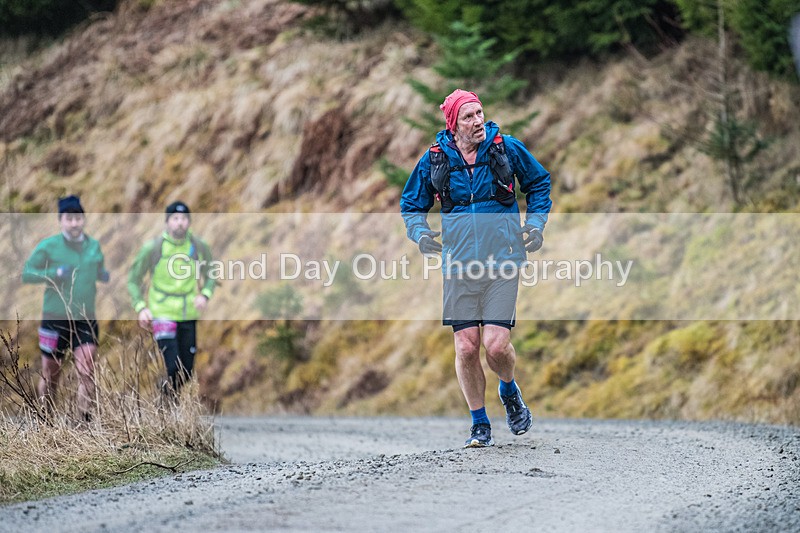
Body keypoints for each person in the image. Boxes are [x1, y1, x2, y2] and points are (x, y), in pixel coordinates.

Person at [401, 89, 552, 448]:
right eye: (469, 117)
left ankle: (509, 391)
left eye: (480, 113)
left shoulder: (506, 148)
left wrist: (535, 225)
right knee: (467, 348)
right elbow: (411, 204)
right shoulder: (435, 159)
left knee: (496, 346)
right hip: (458, 265)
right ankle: (479, 425)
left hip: (502, 261)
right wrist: (421, 234)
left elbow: (539, 183)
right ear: (454, 124)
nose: (478, 121)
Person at [22, 195, 109, 421]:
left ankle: (84, 423)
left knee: (87, 368)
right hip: (54, 318)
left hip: (85, 318)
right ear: (61, 220)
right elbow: (27, 273)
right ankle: (46, 420)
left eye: (78, 218)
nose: (74, 223)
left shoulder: (93, 246)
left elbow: (98, 268)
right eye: (69, 219)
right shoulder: (48, 246)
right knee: (52, 373)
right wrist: (54, 274)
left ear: (83, 220)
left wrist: (102, 274)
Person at [127, 201, 215, 398]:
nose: (180, 223)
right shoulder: (153, 248)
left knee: (187, 371)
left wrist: (205, 295)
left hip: (188, 312)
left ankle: (165, 393)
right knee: (173, 365)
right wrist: (141, 307)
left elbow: (212, 273)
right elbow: (133, 279)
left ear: (189, 222)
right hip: (162, 312)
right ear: (167, 222)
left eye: (184, 219)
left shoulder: (199, 246)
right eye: (175, 218)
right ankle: (170, 406)